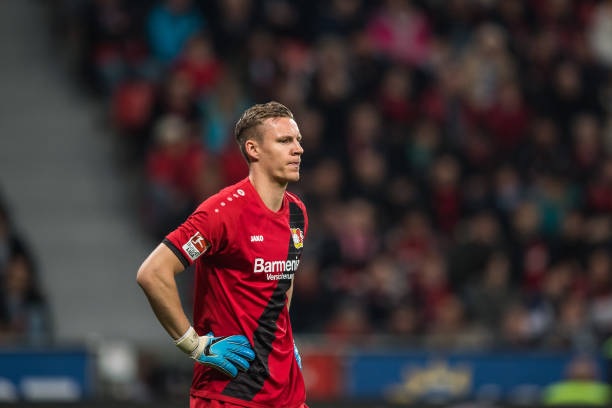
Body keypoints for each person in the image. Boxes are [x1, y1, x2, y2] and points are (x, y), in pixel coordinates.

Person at [137, 101, 308, 408]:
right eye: (285, 141)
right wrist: (194, 345)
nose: (298, 149)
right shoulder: (221, 213)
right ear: (253, 149)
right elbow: (153, 273)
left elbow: (284, 279)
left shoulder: (297, 212)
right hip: (230, 393)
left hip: (288, 394)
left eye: (297, 140)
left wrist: (284, 338)